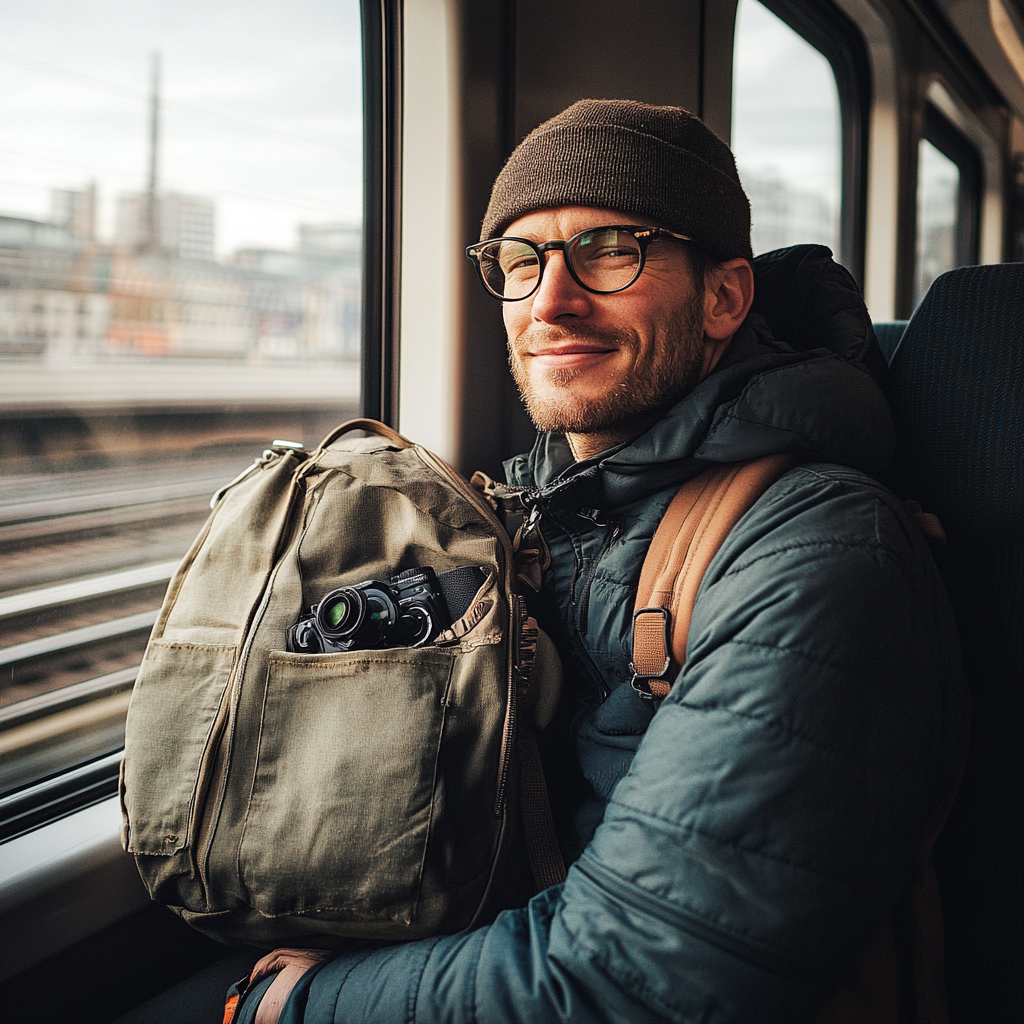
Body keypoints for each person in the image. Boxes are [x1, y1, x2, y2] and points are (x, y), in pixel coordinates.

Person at [123, 99, 970, 1024]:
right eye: (521, 263)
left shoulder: (818, 548)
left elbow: (645, 982)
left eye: (612, 250)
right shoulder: (531, 508)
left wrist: (305, 1002)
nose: (552, 302)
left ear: (724, 297)